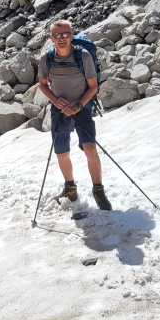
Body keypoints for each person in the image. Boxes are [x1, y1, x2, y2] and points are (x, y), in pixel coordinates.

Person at [37, 20, 112, 211]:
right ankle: (70, 187)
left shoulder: (83, 56)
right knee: (61, 152)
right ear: (51, 38)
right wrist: (55, 101)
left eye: (65, 34)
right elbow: (43, 84)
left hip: (82, 107)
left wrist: (78, 105)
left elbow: (93, 87)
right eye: (57, 35)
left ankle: (98, 190)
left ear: (71, 35)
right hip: (59, 110)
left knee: (90, 148)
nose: (61, 38)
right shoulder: (47, 58)